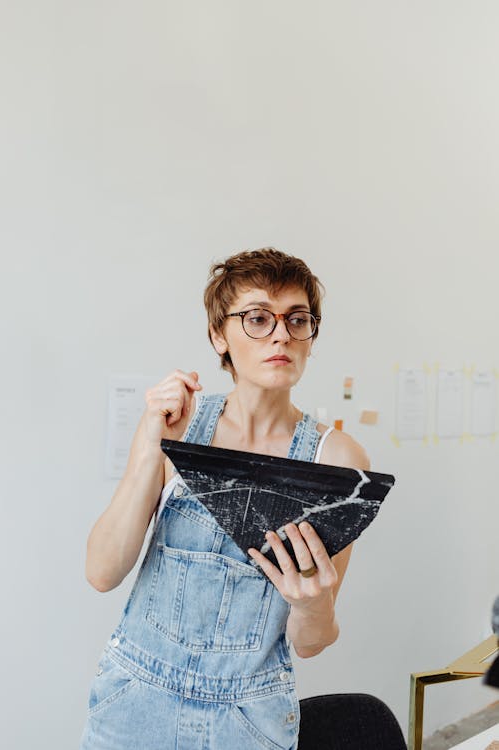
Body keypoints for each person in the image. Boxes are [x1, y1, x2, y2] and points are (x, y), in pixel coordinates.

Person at [80, 247, 371, 750]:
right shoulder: (178, 425)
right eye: (257, 318)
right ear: (219, 335)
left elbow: (311, 643)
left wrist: (314, 601)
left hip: (250, 718)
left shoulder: (338, 460)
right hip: (133, 703)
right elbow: (102, 572)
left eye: (297, 319)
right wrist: (154, 447)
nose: (281, 333)